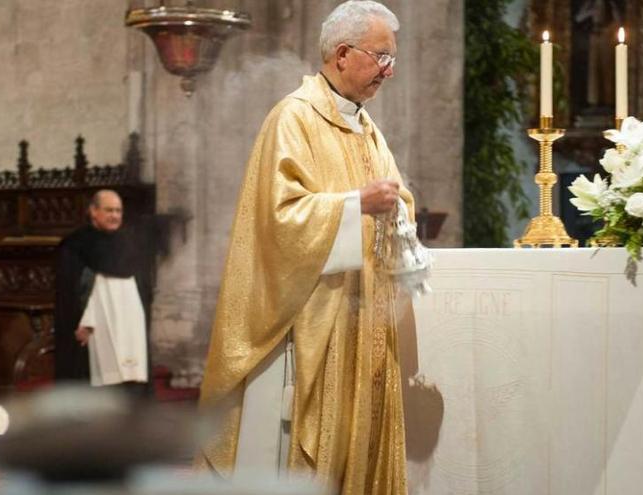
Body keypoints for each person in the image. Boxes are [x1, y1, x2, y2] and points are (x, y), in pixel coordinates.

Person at [197, 1, 414, 493]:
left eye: (392, 59)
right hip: (308, 321)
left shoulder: (366, 127)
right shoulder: (293, 119)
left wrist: (396, 205)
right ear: (342, 53)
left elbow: (395, 196)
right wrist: (356, 204)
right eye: (381, 57)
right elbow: (279, 221)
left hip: (360, 319)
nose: (389, 70)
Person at [53, 189, 150, 393]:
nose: (115, 215)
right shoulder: (76, 244)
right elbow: (70, 289)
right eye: (109, 210)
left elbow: (142, 287)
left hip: (128, 328)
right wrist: (79, 321)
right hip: (92, 329)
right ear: (93, 211)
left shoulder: (130, 243)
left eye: (118, 211)